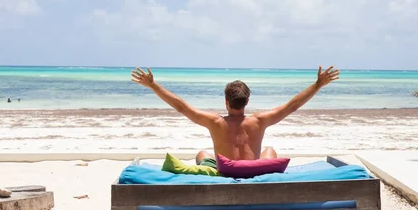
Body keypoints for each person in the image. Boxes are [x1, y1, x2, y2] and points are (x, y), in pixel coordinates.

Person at [131, 66, 340, 169]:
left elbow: (181, 107)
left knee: (202, 154)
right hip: (253, 171)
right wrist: (318, 85)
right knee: (270, 150)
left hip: (225, 172)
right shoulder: (259, 121)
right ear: (247, 102)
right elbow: (292, 106)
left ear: (226, 102)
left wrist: (152, 85)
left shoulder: (215, 122)